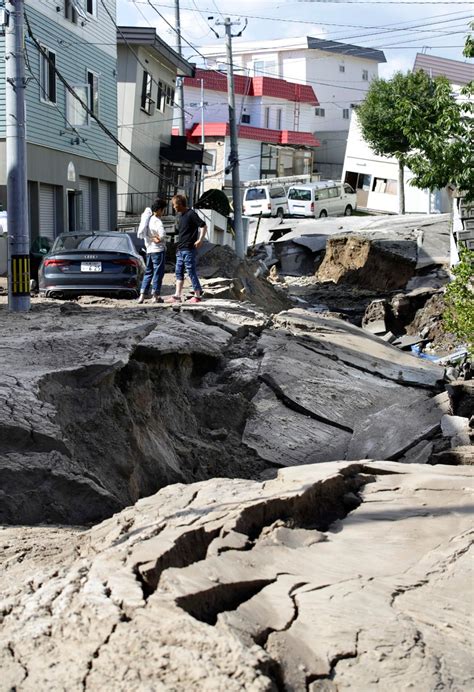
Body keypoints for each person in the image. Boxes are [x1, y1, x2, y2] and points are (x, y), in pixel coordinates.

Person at [167, 193, 207, 303]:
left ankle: (197, 295)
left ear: (180, 204)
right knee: (178, 272)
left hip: (189, 249)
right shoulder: (181, 216)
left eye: (174, 205)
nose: (173, 207)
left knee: (191, 271)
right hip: (180, 249)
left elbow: (203, 225)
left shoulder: (191, 214)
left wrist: (200, 240)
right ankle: (177, 295)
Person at [137, 198, 167, 304]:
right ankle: (155, 296)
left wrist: (152, 238)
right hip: (158, 250)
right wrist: (158, 239)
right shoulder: (157, 221)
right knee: (158, 273)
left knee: (148, 272)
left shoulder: (147, 220)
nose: (163, 212)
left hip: (149, 251)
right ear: (159, 210)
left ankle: (142, 296)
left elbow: (146, 234)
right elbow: (162, 235)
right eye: (163, 210)